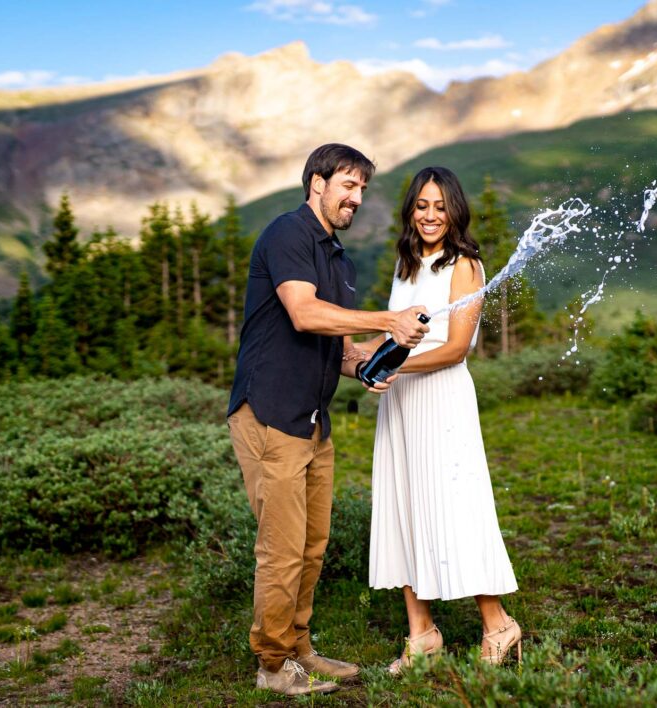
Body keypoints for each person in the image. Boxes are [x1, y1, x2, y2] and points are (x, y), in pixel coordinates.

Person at [226, 143, 430, 696]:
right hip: (270, 415)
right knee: (282, 548)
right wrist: (388, 315)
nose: (357, 197)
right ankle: (272, 666)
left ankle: (299, 648)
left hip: (314, 423)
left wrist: (374, 356)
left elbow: (336, 346)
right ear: (316, 183)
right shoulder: (288, 234)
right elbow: (302, 311)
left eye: (362, 188)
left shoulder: (337, 257)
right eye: (347, 184)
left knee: (312, 545)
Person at [354, 166, 522, 673]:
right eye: (422, 205)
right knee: (403, 503)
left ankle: (499, 624)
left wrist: (392, 367)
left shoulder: (465, 265)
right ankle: (421, 632)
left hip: (442, 400)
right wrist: (365, 354)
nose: (430, 215)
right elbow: (396, 334)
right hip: (401, 405)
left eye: (440, 206)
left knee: (456, 506)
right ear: (411, 210)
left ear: (454, 211)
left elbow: (453, 349)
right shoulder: (406, 264)